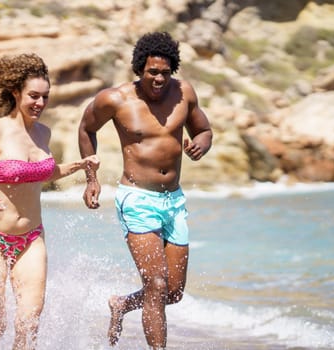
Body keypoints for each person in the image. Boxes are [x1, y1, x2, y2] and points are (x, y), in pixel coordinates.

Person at [78, 32, 212, 349]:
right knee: (156, 283)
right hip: (137, 198)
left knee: (173, 292)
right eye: (153, 71)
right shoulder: (115, 99)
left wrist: (202, 145)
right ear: (140, 69)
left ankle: (122, 304)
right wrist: (91, 177)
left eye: (165, 72)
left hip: (174, 201)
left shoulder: (184, 94)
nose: (159, 78)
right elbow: (86, 128)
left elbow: (203, 129)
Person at [0, 53, 99, 349]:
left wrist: (80, 165)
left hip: (32, 238)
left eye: (45, 97)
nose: (40, 103)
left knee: (29, 322)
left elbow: (41, 174)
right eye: (33, 96)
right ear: (15, 93)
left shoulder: (43, 133)